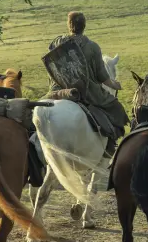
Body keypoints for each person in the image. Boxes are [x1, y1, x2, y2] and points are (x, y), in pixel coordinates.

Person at [47, 11, 129, 157]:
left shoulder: (57, 42)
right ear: (84, 26)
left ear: (69, 25)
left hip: (58, 88)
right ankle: (110, 147)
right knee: (116, 109)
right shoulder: (92, 47)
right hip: (86, 90)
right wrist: (115, 85)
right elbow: (102, 76)